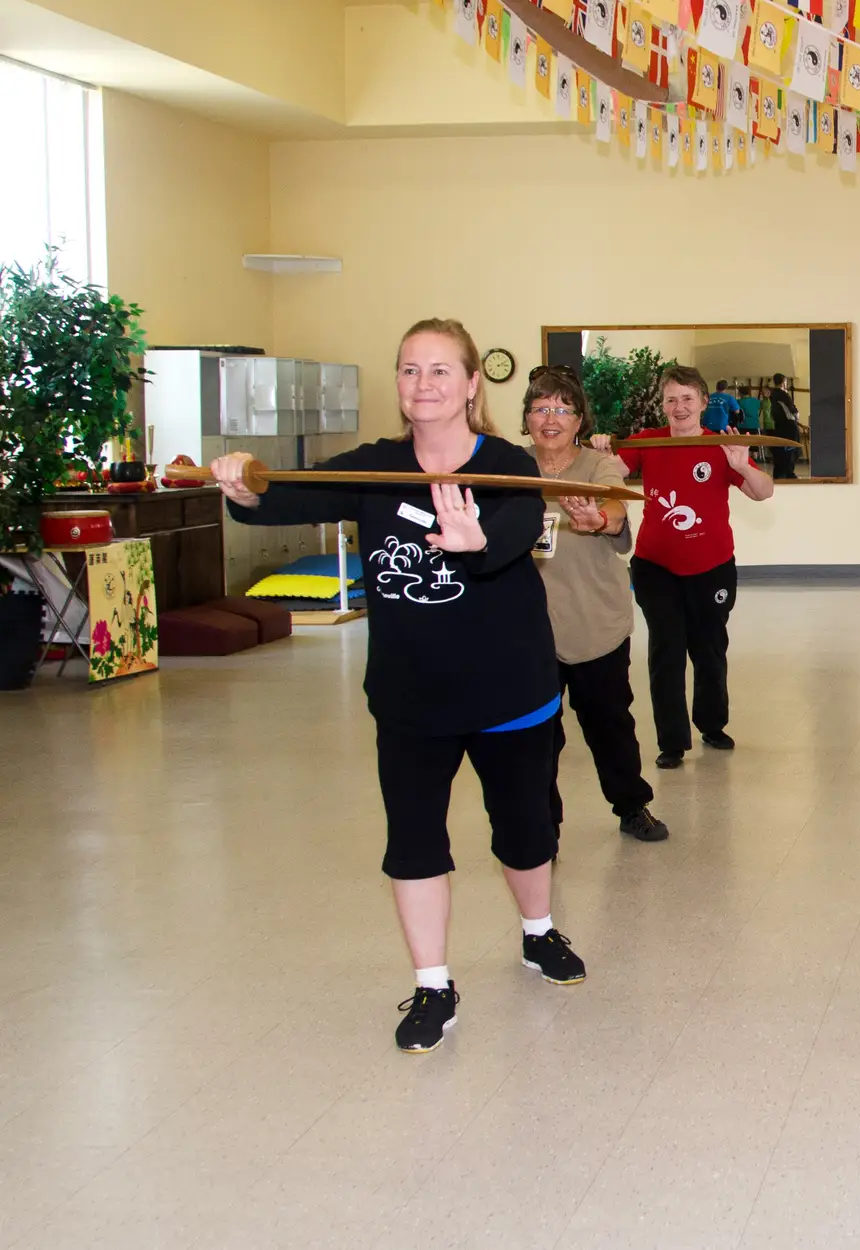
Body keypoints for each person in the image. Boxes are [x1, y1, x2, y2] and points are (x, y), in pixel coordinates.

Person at [209, 318, 585, 1055]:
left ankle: (538, 933)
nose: (424, 385)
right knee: (413, 843)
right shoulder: (377, 466)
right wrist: (243, 485)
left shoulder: (507, 464)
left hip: (510, 692)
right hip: (412, 699)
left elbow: (513, 527)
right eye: (410, 370)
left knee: (526, 834)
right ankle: (433, 983)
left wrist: (477, 542)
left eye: (441, 371)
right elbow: (289, 494)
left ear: (472, 384)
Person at [522, 366, 668, 844]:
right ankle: (544, 824)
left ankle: (631, 806)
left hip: (595, 624)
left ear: (579, 420)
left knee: (610, 725)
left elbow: (616, 509)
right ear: (526, 418)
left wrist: (597, 520)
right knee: (536, 736)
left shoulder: (597, 466)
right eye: (541, 408)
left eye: (562, 409)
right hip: (528, 631)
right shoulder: (510, 469)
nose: (551, 418)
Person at [617, 365, 775, 768]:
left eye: (688, 398)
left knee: (709, 650)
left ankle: (712, 724)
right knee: (666, 651)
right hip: (656, 567)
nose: (679, 407)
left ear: (704, 403)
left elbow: (763, 492)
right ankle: (671, 742)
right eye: (671, 399)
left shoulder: (723, 446)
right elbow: (607, 475)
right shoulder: (646, 442)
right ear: (663, 404)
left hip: (712, 566)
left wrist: (741, 466)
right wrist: (600, 449)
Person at [766, 373, 802, 480]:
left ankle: (779, 472)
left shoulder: (772, 395)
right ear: (783, 382)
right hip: (789, 426)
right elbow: (792, 409)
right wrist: (797, 415)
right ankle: (789, 472)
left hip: (779, 425)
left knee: (780, 449)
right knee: (791, 449)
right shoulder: (783, 395)